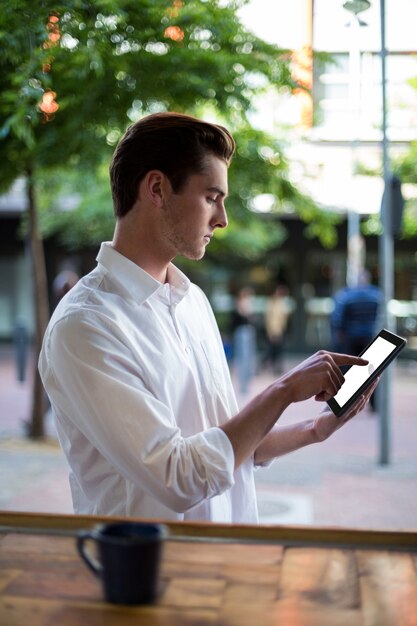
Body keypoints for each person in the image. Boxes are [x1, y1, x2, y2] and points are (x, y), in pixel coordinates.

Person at [39, 112, 376, 523]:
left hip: (231, 555)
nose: (222, 219)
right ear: (158, 189)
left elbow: (220, 444)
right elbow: (177, 476)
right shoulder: (85, 326)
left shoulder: (191, 300)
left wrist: (313, 430)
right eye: (212, 197)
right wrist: (284, 390)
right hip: (153, 573)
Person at [230, 286, 257, 396]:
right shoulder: (241, 305)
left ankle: (245, 385)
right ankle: (243, 386)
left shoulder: (244, 305)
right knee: (244, 359)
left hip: (247, 332)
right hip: (243, 333)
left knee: (248, 359)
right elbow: (244, 316)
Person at [264, 285, 290, 374]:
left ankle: (277, 367)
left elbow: (284, 317)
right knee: (273, 350)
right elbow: (269, 319)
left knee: (278, 350)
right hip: (274, 330)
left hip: (280, 329)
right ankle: (265, 365)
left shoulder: (282, 303)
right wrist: (271, 331)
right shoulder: (272, 303)